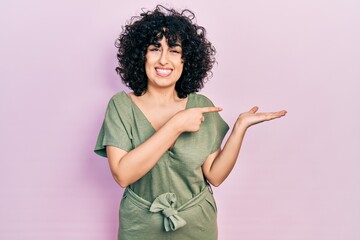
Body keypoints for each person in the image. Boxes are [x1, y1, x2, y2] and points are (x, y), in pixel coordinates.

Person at [94, 5, 287, 240]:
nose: (164, 60)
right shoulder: (121, 106)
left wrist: (239, 128)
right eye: (155, 49)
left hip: (197, 225)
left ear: (186, 60)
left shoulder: (200, 104)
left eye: (174, 51)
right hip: (139, 226)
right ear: (141, 56)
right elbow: (123, 175)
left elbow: (214, 175)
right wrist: (176, 125)